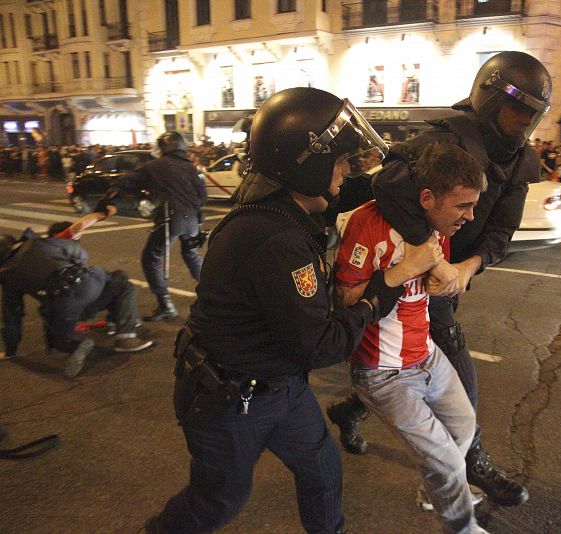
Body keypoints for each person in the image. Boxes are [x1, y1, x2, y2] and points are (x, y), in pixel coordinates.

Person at [146, 87, 404, 534]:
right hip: (229, 400)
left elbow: (350, 191)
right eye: (339, 163)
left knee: (323, 471)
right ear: (308, 165)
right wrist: (375, 298)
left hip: (279, 387)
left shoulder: (281, 208)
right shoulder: (275, 238)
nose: (345, 172)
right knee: (216, 503)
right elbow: (321, 345)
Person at [327, 50, 551, 508]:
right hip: (410, 271)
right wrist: (434, 260)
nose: (522, 123)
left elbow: (501, 230)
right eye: (516, 110)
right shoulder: (447, 139)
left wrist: (465, 269)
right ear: (489, 99)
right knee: (457, 378)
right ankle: (472, 467)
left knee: (406, 369)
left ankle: (351, 409)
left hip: (447, 277)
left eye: (531, 114)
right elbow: (388, 186)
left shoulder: (518, 160)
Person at [335, 142, 487, 533]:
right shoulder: (367, 224)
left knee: (464, 429)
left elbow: (436, 272)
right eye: (462, 206)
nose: (470, 216)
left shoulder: (436, 226)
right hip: (382, 373)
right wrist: (405, 270)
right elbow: (345, 297)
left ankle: (433, 491)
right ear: (426, 197)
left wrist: (441, 279)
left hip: (427, 354)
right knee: (450, 462)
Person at [0, 211, 152, 378]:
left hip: (66, 304)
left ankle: (71, 345)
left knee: (52, 322)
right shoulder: (38, 243)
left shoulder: (8, 274)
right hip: (90, 283)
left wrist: (10, 350)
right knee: (122, 283)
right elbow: (77, 251)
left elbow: (12, 316)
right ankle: (125, 336)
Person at [99, 131, 207, 321]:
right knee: (191, 254)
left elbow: (127, 181)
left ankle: (165, 304)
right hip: (192, 219)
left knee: (151, 257)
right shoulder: (191, 167)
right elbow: (203, 196)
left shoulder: (155, 166)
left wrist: (110, 195)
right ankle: (210, 293)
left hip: (170, 217)